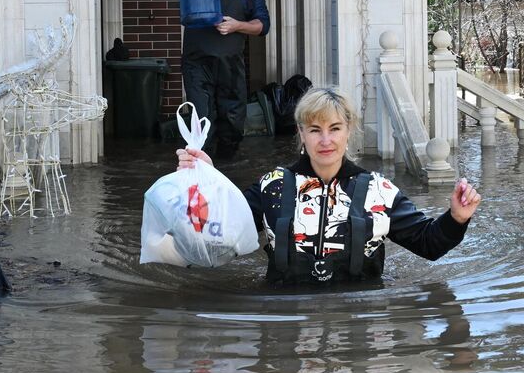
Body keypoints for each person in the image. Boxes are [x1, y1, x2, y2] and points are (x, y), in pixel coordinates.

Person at [177, 86, 481, 284]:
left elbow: (430, 244)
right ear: (301, 133)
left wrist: (456, 217)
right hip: (284, 314)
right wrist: (207, 181)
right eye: (315, 130)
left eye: (335, 128)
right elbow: (219, 234)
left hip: (358, 317)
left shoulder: (380, 191)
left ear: (349, 130)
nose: (325, 140)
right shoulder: (272, 186)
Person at [153, 0, 270, 162]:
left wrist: (238, 25)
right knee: (202, 119)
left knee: (234, 121)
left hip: (231, 63)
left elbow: (262, 25)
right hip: (198, 62)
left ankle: (228, 169)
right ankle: (200, 171)